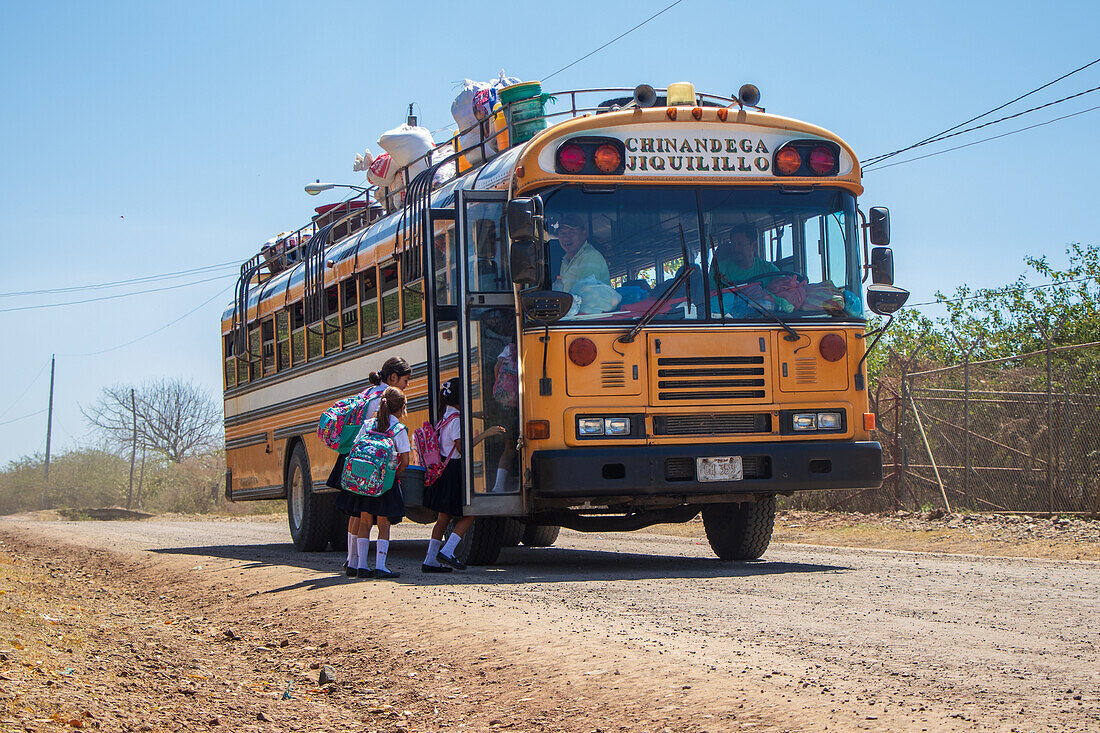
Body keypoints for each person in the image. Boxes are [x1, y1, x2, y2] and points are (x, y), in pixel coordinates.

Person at [332, 357, 412, 577]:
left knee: (361, 519)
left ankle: (356, 564)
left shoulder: (368, 400)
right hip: (384, 479)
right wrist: (394, 475)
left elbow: (356, 444)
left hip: (362, 474)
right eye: (405, 381)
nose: (406, 385)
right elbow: (404, 459)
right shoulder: (398, 428)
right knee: (384, 522)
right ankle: (380, 566)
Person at [421, 378, 505, 572]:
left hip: (444, 471)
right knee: (471, 512)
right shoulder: (456, 420)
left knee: (443, 518)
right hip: (454, 472)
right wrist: (486, 434)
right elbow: (462, 448)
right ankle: (448, 551)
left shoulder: (445, 417)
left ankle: (429, 560)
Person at [552, 213, 610, 291]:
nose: (566, 238)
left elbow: (585, 295)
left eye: (572, 232)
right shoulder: (565, 261)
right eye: (562, 233)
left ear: (584, 234)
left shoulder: (589, 257)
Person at [710, 224, 777, 287]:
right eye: (733, 244)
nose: (736, 249)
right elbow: (709, 297)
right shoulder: (718, 271)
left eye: (740, 244)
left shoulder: (768, 269)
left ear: (754, 246)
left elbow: (785, 287)